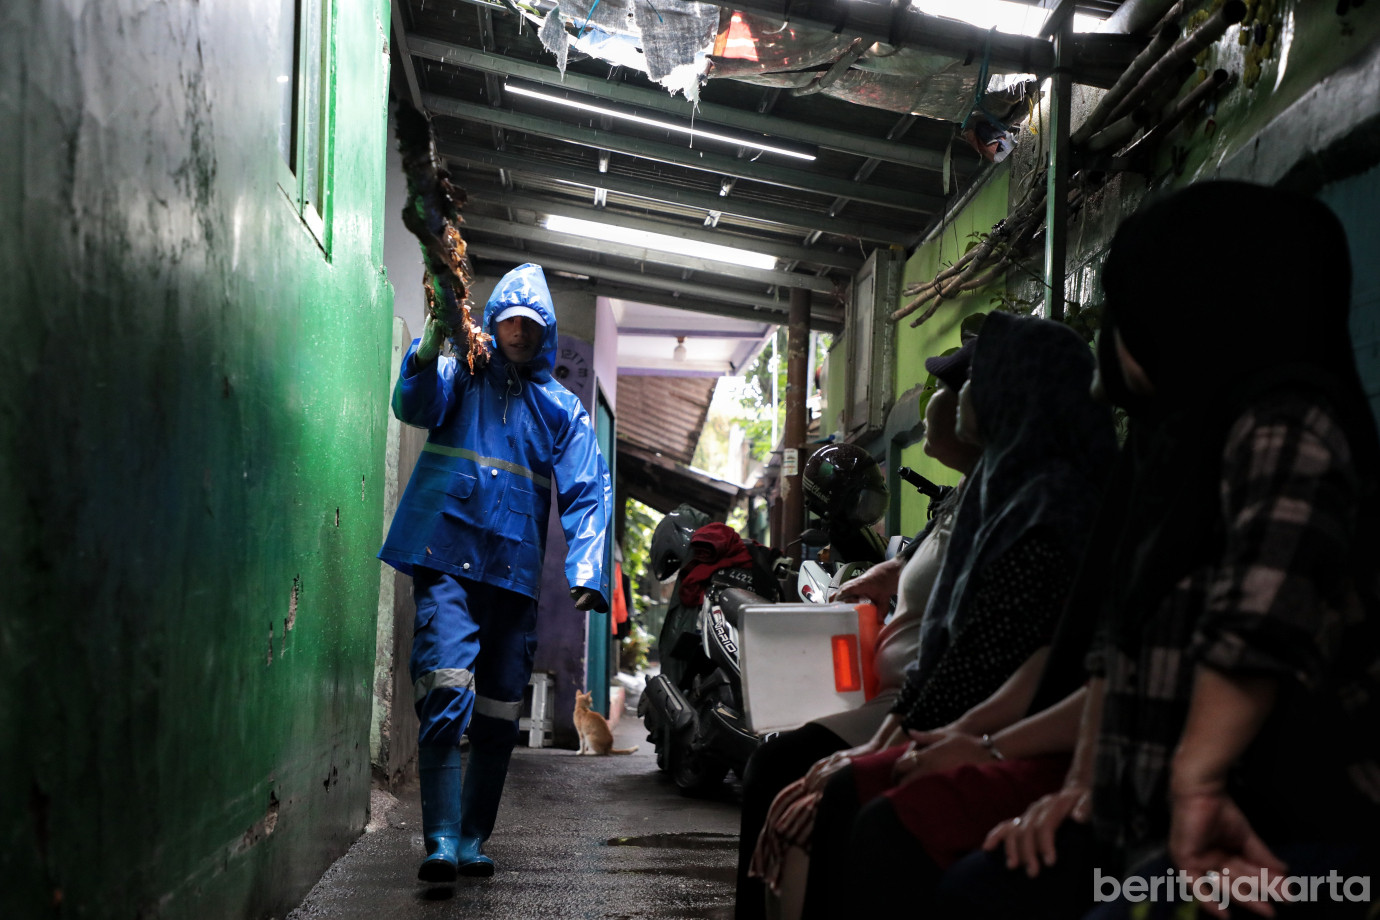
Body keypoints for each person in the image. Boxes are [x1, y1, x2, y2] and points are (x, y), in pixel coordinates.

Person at [933, 181, 1380, 920]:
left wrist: (1198, 784)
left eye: (1129, 301)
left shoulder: (1286, 424)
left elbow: (1256, 625)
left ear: (1191, 304)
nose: (1113, 329)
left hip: (1293, 834)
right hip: (1148, 826)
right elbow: (1117, 648)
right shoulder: (1170, 451)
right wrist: (1079, 788)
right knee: (978, 889)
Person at [778, 312, 1118, 920]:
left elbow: (997, 659)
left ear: (1013, 393)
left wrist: (957, 742)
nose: (961, 394)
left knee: (857, 809)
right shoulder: (999, 488)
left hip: (1026, 735)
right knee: (814, 780)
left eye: (975, 380)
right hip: (968, 718)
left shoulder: (1050, 505)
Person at [379, 262, 612, 882]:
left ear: (547, 332)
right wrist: (428, 347)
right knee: (446, 685)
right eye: (509, 319)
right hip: (447, 558)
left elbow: (589, 489)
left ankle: (474, 838)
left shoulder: (560, 408)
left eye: (531, 323)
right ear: (493, 321)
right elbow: (414, 404)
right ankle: (440, 838)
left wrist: (588, 567)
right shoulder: (462, 372)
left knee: (500, 710)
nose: (519, 331)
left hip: (512, 574)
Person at [733, 339, 982, 920]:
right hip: (893, 689)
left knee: (778, 768)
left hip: (919, 700)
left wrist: (899, 727)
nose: (937, 401)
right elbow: (922, 553)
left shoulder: (1002, 497)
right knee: (773, 758)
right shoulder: (969, 491)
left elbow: (963, 647)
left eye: (948, 389)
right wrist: (888, 572)